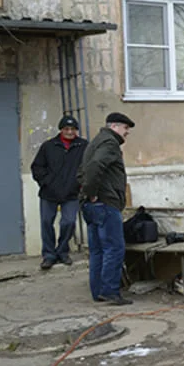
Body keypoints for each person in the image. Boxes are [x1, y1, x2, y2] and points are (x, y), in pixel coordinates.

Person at [78, 112, 136, 306]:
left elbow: (83, 170)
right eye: (125, 128)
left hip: (91, 205)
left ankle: (98, 291)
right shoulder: (110, 143)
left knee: (97, 250)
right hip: (105, 203)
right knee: (114, 248)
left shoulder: (95, 142)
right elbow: (95, 166)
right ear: (115, 127)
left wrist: (86, 194)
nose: (127, 133)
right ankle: (110, 291)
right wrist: (92, 192)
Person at [32, 115, 87, 270]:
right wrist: (46, 182)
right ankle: (49, 255)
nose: (69, 132)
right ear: (61, 130)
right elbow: (37, 167)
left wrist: (80, 185)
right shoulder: (48, 146)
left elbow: (88, 167)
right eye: (66, 129)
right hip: (49, 193)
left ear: (76, 130)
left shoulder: (83, 146)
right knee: (46, 223)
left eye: (73, 129)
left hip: (71, 193)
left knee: (68, 222)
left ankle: (62, 252)